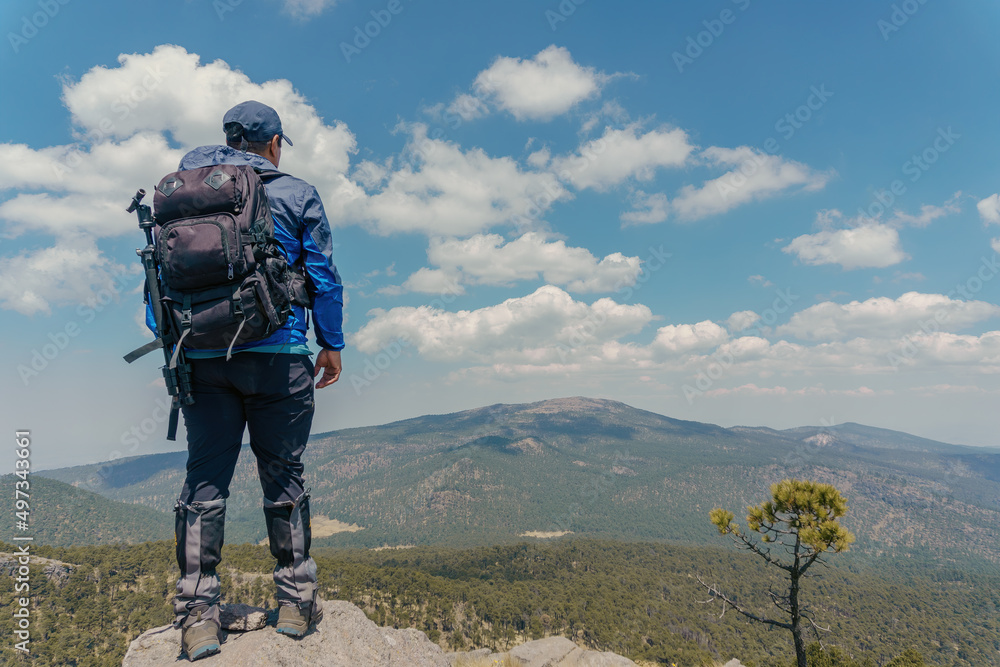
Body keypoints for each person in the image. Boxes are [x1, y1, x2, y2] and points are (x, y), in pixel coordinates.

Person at [151, 100, 344, 661]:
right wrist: (330, 343)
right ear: (275, 143)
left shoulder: (183, 197)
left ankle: (197, 616)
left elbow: (157, 282)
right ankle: (295, 601)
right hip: (279, 357)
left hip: (202, 359)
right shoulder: (296, 193)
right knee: (283, 476)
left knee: (204, 483)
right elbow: (323, 274)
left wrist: (181, 343)